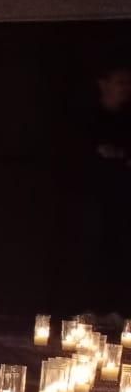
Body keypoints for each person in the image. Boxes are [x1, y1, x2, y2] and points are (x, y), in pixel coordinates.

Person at [77, 61, 131, 326]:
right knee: (92, 249)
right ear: (103, 84)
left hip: (122, 200)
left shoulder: (127, 121)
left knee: (120, 251)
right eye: (120, 82)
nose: (126, 89)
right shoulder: (87, 118)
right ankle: (90, 308)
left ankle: (118, 309)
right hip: (91, 199)